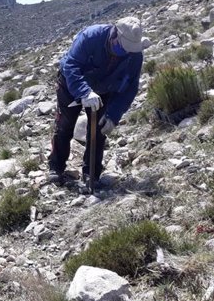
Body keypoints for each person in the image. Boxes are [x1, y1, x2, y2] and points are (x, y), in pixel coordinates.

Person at [48, 16, 143, 187]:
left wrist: (113, 115)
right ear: (115, 34)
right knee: (65, 125)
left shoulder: (134, 55)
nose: (126, 52)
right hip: (71, 83)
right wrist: (84, 92)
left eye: (129, 49)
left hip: (104, 88)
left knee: (99, 130)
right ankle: (56, 168)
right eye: (123, 47)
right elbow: (71, 65)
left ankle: (91, 175)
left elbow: (130, 88)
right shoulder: (91, 36)